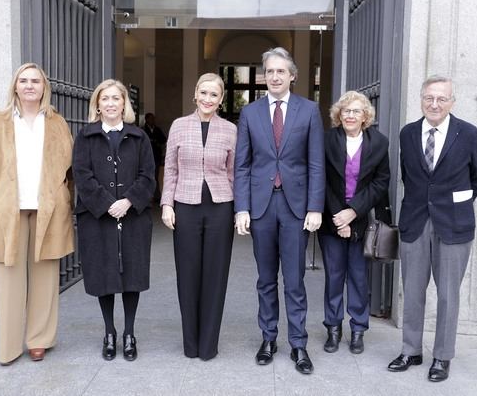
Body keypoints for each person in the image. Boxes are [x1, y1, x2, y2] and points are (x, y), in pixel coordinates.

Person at [0, 63, 74, 365]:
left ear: (43, 88)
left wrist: (70, 203)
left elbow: (71, 169)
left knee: (45, 276)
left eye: (35, 81)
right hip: (7, 208)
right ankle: (9, 345)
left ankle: (39, 339)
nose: (29, 86)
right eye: (23, 80)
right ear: (15, 86)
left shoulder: (56, 123)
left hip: (48, 209)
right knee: (9, 276)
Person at [387, 75, 477, 382]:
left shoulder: (467, 133)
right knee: (412, 291)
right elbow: (408, 177)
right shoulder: (407, 133)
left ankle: (442, 356)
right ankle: (410, 350)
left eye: (442, 98)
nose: (435, 104)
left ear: (452, 102)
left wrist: (452, 205)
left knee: (447, 295)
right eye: (429, 98)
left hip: (454, 225)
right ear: (421, 99)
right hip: (415, 221)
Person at [234, 47, 325, 374]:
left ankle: (298, 344)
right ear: (264, 76)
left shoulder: (309, 110)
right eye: (269, 71)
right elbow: (242, 165)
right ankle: (269, 338)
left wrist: (315, 207)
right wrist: (241, 207)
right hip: (260, 206)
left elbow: (316, 162)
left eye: (280, 72)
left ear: (292, 76)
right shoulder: (250, 112)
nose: (274, 77)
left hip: (296, 207)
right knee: (265, 278)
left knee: (295, 279)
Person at [72, 79, 155, 362]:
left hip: (133, 216)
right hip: (97, 218)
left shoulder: (139, 137)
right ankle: (109, 332)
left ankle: (129, 333)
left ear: (124, 104)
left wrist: (128, 201)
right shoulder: (85, 137)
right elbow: (82, 175)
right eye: (104, 99)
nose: (110, 103)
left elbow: (148, 175)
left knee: (131, 275)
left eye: (115, 99)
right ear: (97, 104)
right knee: (104, 274)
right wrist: (107, 204)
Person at [160, 73, 237, 361]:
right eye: (203, 93)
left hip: (220, 206)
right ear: (195, 94)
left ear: (221, 99)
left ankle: (208, 345)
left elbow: (234, 172)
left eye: (214, 94)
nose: (208, 99)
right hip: (186, 205)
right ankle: (190, 344)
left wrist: (240, 210)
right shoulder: (179, 126)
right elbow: (170, 170)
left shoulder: (230, 130)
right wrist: (167, 204)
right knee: (188, 274)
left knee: (216, 276)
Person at [318, 91, 391, 355]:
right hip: (331, 219)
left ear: (365, 116)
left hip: (360, 222)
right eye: (346, 110)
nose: (350, 115)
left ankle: (358, 329)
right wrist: (339, 216)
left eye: (356, 111)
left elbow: (381, 183)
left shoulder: (380, 143)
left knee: (359, 278)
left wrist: (353, 213)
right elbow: (321, 179)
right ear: (339, 114)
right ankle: (333, 328)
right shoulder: (326, 141)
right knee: (334, 277)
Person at [143, 112, 167, 202]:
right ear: (147, 119)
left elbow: (163, 139)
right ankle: (147, 196)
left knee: (155, 176)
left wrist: (156, 141)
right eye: (151, 118)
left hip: (156, 156)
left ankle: (156, 196)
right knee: (147, 176)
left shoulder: (157, 129)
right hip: (146, 157)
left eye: (154, 118)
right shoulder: (143, 130)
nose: (153, 120)